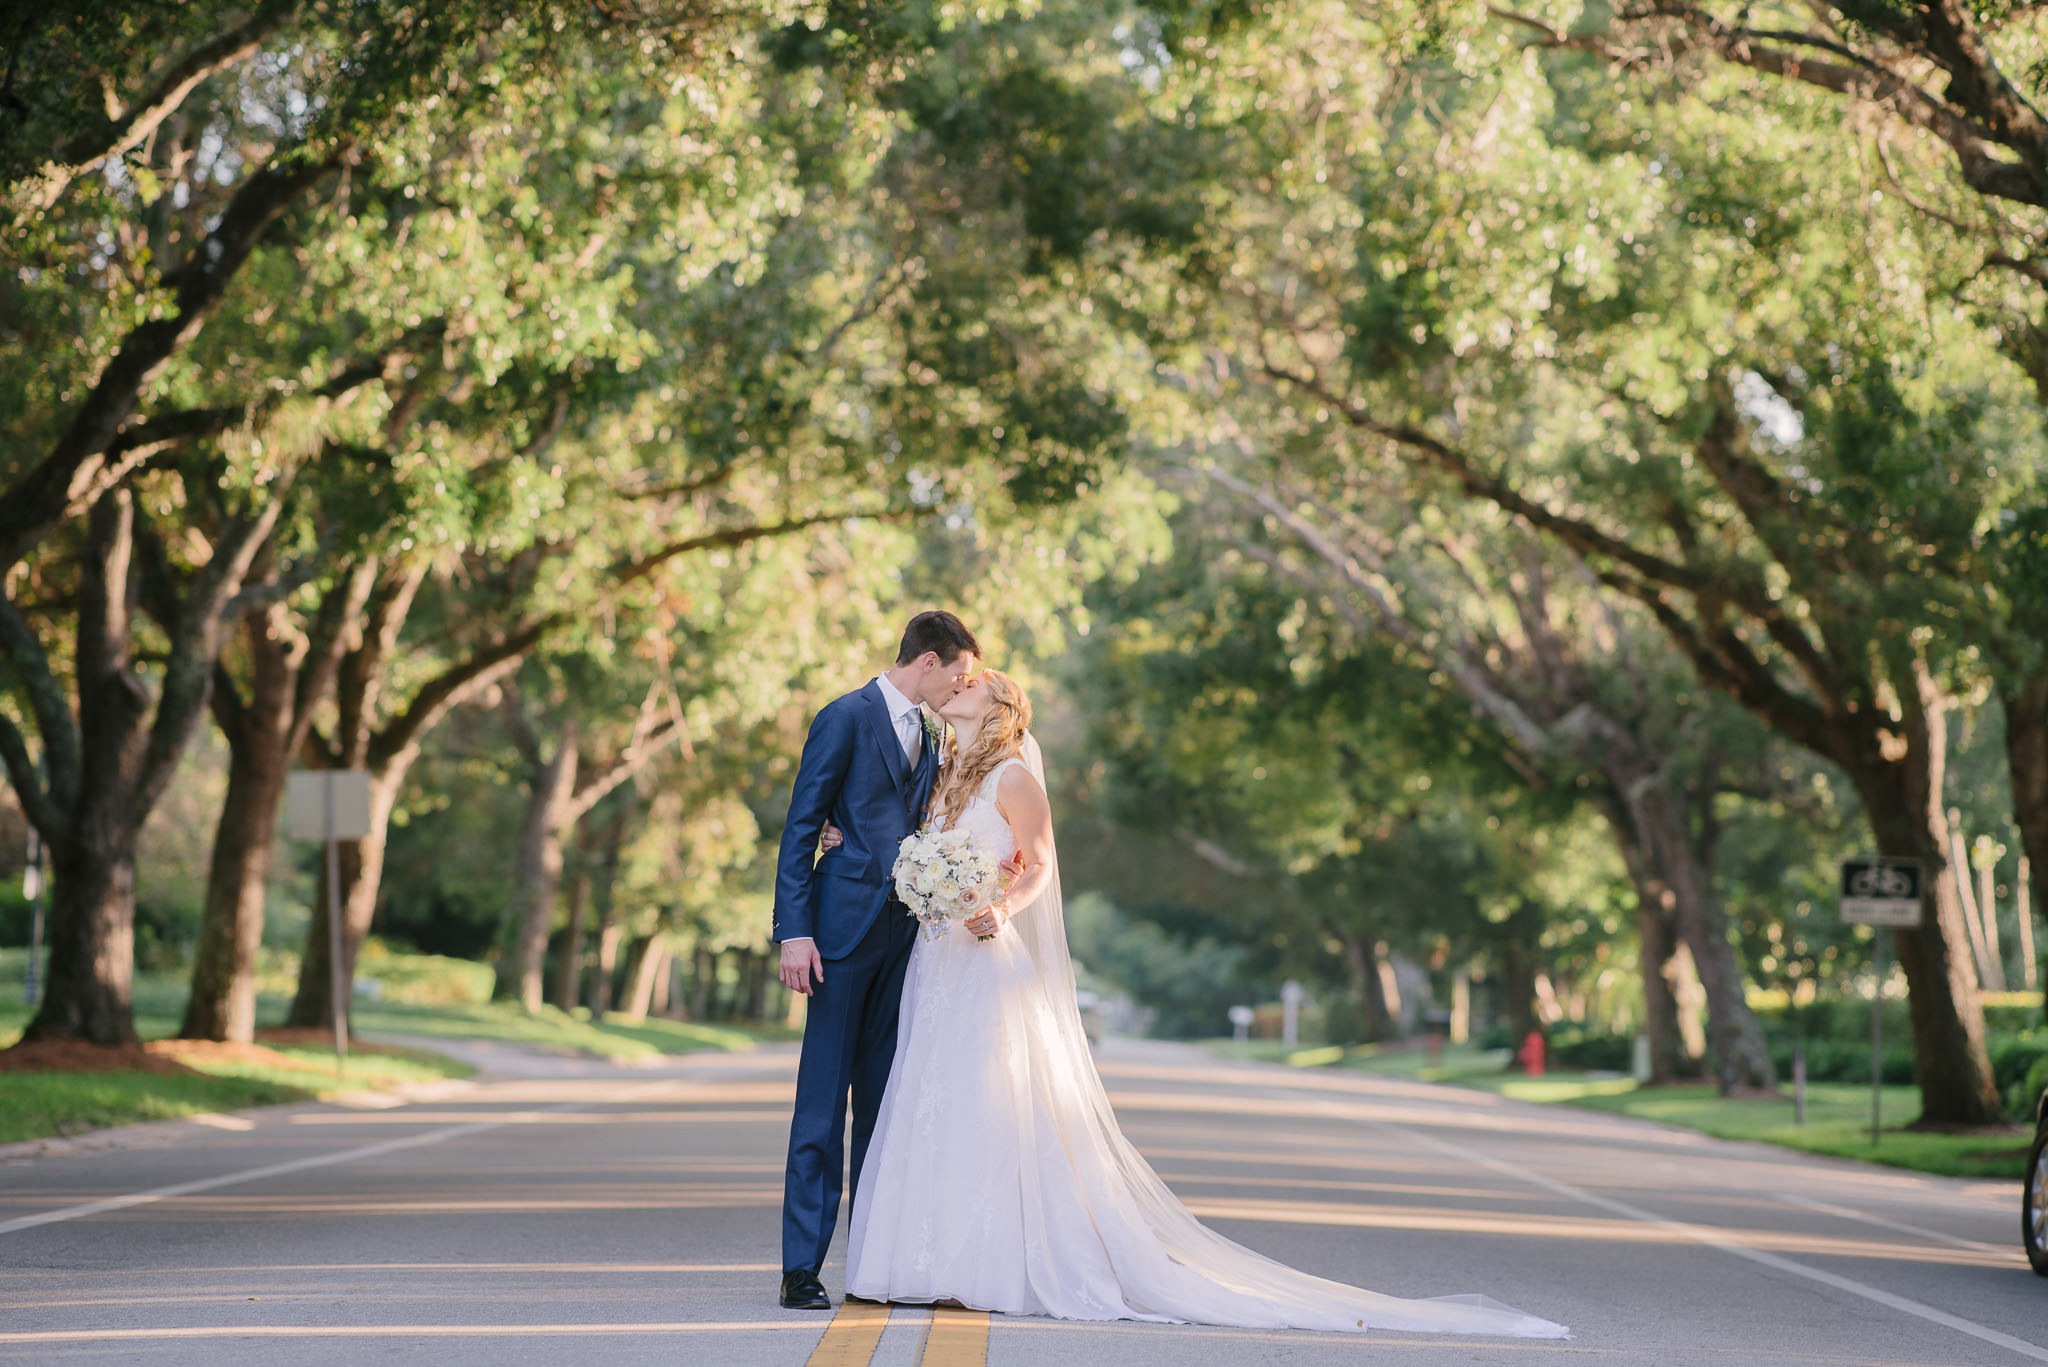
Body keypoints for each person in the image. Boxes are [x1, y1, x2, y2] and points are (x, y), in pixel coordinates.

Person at [830, 669, 1570, 1339]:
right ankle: (919, 1262)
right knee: (934, 1101)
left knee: (992, 1109)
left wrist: (999, 908)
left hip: (988, 957)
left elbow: (1042, 867)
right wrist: (854, 840)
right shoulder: (944, 774)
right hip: (937, 963)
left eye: (975, 680)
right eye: (953, 678)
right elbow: (911, 844)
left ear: (1001, 704)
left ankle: (984, 1265)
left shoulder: (1016, 775)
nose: (959, 682)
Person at [770, 610, 985, 1312]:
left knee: (886, 1108)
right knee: (822, 1105)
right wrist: (793, 931)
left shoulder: (929, 730)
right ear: (927, 660)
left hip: (907, 940)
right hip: (837, 936)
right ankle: (801, 1266)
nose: (960, 688)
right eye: (956, 674)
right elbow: (804, 825)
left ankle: (872, 1260)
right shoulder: (845, 715)